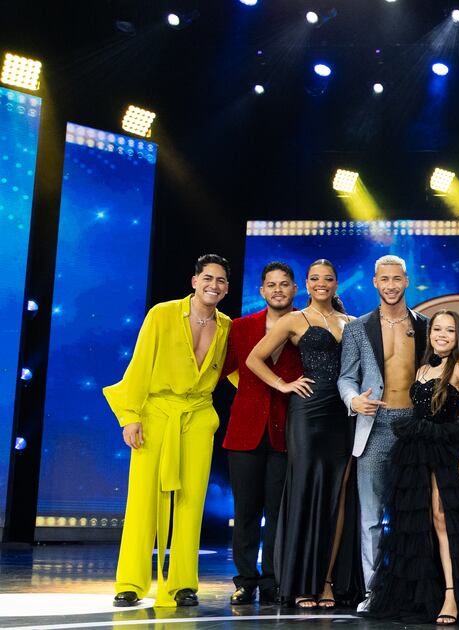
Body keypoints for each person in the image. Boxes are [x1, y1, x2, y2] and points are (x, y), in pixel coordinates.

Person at [105, 254, 233, 608]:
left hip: (198, 416)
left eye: (221, 280)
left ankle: (183, 584)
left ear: (226, 288)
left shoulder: (226, 326)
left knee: (191, 503)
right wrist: (130, 415)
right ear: (194, 281)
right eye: (208, 278)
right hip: (157, 413)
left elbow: (237, 371)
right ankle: (130, 583)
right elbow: (140, 364)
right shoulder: (162, 314)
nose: (214, 285)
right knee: (143, 499)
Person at [363, 310, 459, 624]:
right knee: (417, 522)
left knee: (442, 518)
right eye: (437, 329)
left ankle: (452, 594)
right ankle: (423, 595)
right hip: (415, 450)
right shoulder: (422, 368)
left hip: (446, 449)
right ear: (430, 333)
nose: (442, 335)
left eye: (449, 330)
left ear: (457, 336)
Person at [246, 259, 362, 608]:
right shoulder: (294, 320)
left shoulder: (352, 323)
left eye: (328, 278)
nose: (321, 283)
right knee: (306, 490)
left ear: (336, 283)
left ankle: (326, 581)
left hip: (343, 414)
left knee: (338, 495)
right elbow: (254, 358)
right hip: (308, 413)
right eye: (314, 278)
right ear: (306, 285)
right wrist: (283, 384)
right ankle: (300, 582)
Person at [337, 254, 430, 613]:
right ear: (375, 282)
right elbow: (346, 376)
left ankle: (413, 590)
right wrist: (353, 400)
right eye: (384, 279)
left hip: (413, 426)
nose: (391, 285)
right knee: (372, 517)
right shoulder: (357, 328)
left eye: (396, 279)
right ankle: (373, 592)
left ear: (406, 281)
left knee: (414, 514)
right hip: (374, 425)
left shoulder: (424, 326)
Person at [221, 261, 302, 606]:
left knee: (278, 512)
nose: (278, 290)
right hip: (245, 431)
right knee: (246, 511)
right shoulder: (241, 327)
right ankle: (245, 580)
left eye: (284, 284)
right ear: (262, 291)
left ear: (295, 289)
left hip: (288, 432)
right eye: (271, 285)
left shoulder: (307, 325)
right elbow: (220, 369)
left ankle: (272, 580)